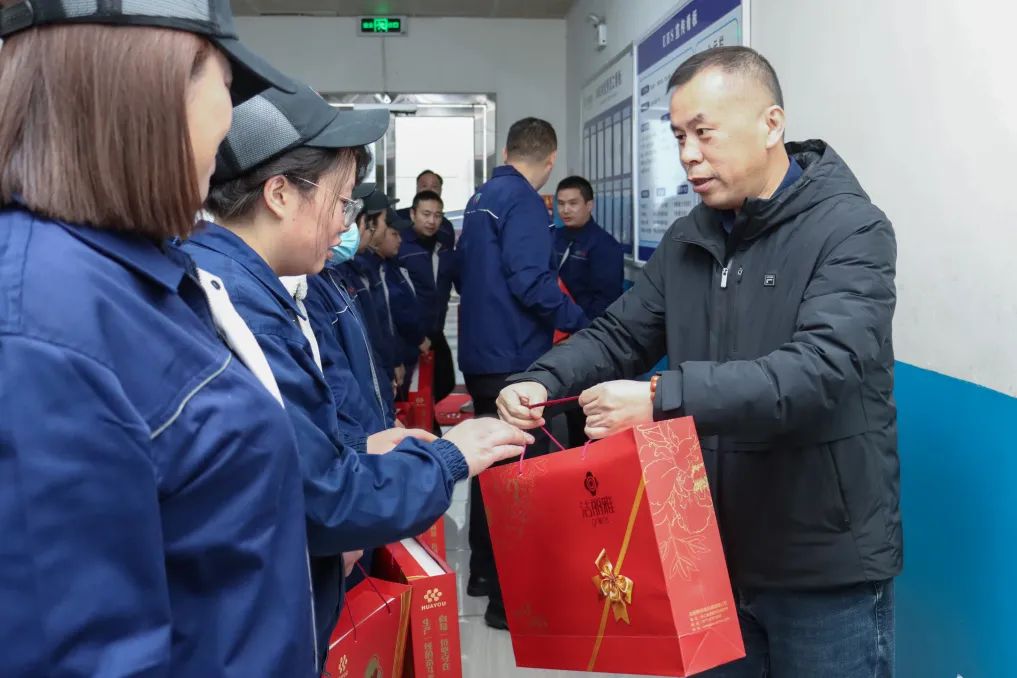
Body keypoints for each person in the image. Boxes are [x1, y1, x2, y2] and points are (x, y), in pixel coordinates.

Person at [498, 47, 899, 678]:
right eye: (679, 135)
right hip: (704, 553)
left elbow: (820, 371)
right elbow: (620, 334)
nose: (688, 154)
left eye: (703, 133)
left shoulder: (851, 230)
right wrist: (541, 379)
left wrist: (661, 399)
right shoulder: (691, 237)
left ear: (770, 124)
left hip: (821, 562)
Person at [0, 1, 322, 674]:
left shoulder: (133, 272)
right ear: (151, 91)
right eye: (225, 84)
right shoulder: (43, 325)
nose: (228, 125)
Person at [183, 83, 533, 662]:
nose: (344, 223)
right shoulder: (239, 311)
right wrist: (452, 457)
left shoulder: (251, 286)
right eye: (341, 203)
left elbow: (277, 457)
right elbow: (322, 502)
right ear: (279, 194)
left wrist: (358, 449)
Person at [457, 117, 590, 630]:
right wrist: (583, 325)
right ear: (550, 159)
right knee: (522, 480)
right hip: (515, 361)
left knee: (490, 465)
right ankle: (508, 603)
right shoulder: (526, 203)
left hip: (482, 355)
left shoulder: (480, 198)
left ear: (507, 150)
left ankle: (482, 575)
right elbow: (532, 282)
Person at [305, 184, 393, 438]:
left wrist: (385, 420)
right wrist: (370, 438)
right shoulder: (310, 287)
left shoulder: (334, 276)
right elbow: (337, 382)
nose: (345, 227)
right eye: (344, 208)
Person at [553, 175, 625, 446]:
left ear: (589, 205)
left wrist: (580, 333)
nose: (566, 210)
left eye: (573, 203)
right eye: (561, 203)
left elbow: (606, 301)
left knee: (584, 416)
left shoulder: (604, 245)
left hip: (585, 339)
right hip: (553, 340)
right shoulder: (553, 238)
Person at [397, 189, 458, 411]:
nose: (432, 221)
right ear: (413, 214)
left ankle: (427, 418)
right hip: (410, 334)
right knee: (409, 390)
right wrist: (414, 335)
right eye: (426, 214)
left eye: (438, 215)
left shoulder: (444, 246)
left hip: (435, 329)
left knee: (445, 381)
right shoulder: (401, 247)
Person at [370, 211, 427, 400]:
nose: (400, 240)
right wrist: (394, 360)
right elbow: (391, 314)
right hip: (392, 356)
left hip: (402, 354)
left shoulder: (390, 266)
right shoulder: (375, 271)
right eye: (394, 234)